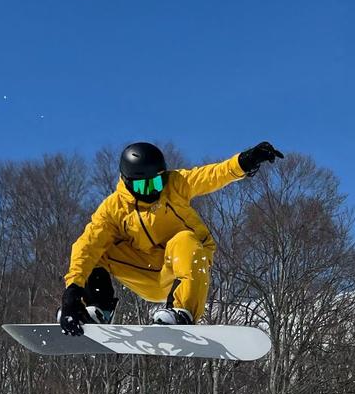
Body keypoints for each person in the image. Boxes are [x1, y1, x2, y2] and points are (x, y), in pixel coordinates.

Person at [59, 140, 282, 335]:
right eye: (143, 185)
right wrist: (72, 290)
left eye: (156, 183)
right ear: (127, 181)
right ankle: (98, 308)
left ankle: (181, 311)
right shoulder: (113, 209)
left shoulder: (174, 184)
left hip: (183, 265)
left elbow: (212, 175)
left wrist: (246, 161)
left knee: (184, 238)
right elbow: (87, 246)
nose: (152, 191)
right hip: (144, 271)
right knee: (97, 249)